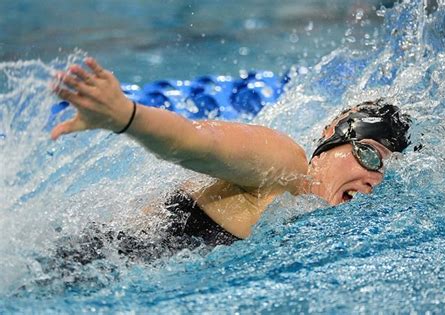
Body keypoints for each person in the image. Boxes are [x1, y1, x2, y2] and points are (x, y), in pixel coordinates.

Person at [52, 58, 411, 260]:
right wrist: (126, 115)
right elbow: (195, 142)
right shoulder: (284, 165)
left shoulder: (306, 218)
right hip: (84, 264)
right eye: (369, 155)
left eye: (386, 172)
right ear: (331, 135)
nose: (374, 179)